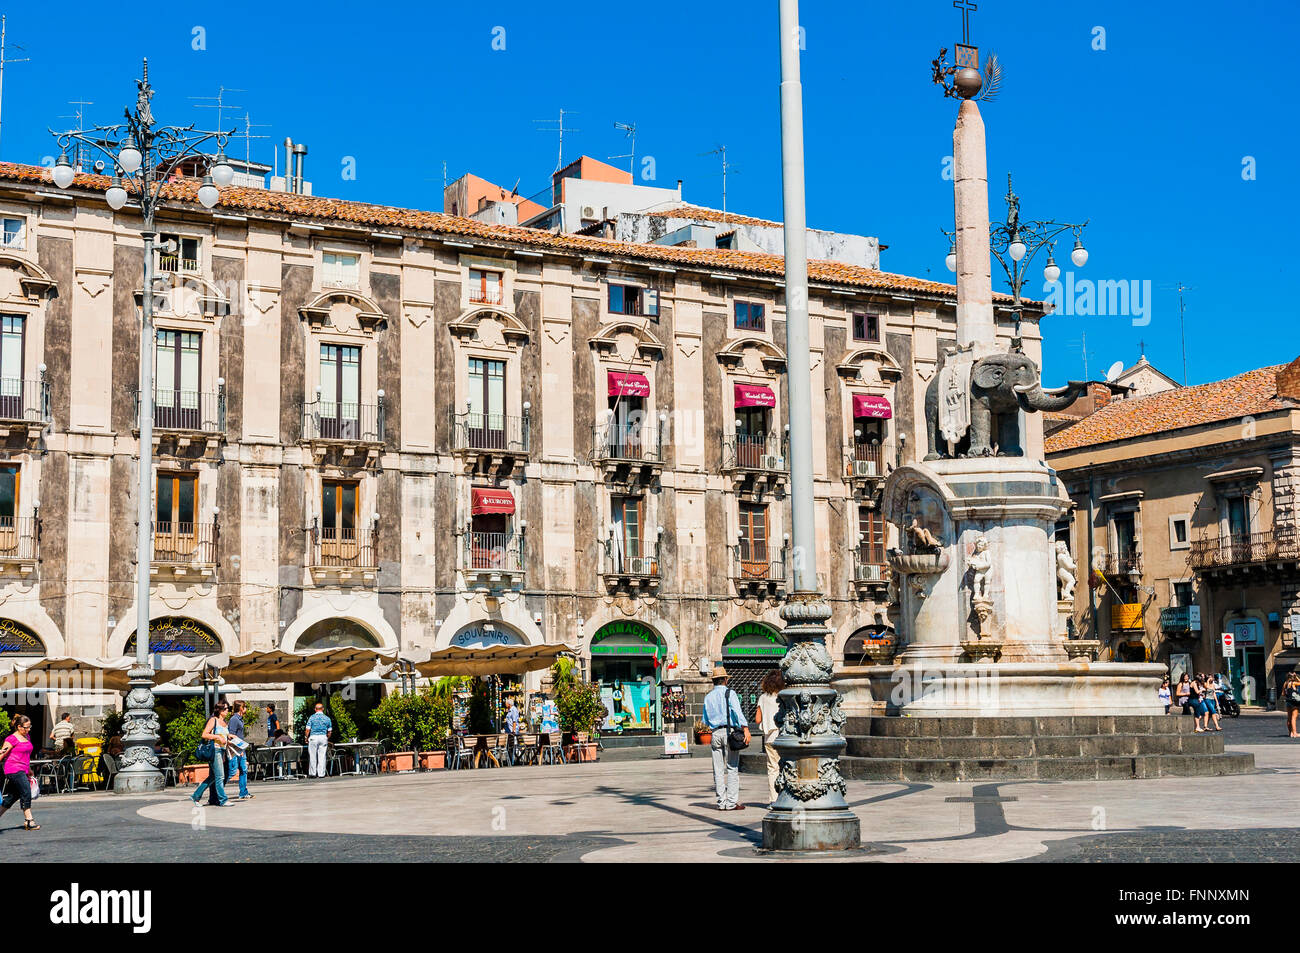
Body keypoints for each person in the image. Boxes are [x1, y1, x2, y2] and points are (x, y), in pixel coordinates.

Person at [702, 665, 750, 812]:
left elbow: (705, 720)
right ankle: (731, 802)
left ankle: (721, 802)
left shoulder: (708, 696)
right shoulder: (730, 693)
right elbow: (737, 711)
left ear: (714, 681)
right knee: (732, 768)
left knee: (717, 769)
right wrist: (745, 728)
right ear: (724, 680)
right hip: (729, 733)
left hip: (715, 733)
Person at [0, 714, 39, 830]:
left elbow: (26, 755)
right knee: (26, 790)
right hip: (13, 769)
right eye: (26, 727)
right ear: (19, 727)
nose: (29, 729)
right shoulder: (11, 739)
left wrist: (29, 769)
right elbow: (2, 755)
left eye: (29, 726)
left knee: (13, 796)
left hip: (23, 769)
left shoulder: (27, 737)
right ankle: (29, 820)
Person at [755, 669, 786, 807]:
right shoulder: (783, 696)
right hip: (783, 736)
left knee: (772, 768)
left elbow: (757, 719)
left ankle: (774, 799)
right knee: (785, 766)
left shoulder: (763, 697)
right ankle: (785, 796)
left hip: (769, 738)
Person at [191, 702, 231, 807]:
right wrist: (217, 737)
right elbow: (204, 734)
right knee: (220, 776)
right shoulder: (213, 720)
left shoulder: (224, 722)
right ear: (220, 710)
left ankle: (195, 796)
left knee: (213, 777)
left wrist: (230, 736)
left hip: (221, 751)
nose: (228, 711)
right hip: (215, 751)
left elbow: (224, 735)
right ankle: (223, 800)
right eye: (226, 709)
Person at [227, 701, 253, 800]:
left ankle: (243, 792)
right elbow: (231, 735)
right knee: (232, 772)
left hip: (241, 748)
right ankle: (217, 790)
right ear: (241, 708)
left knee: (243, 770)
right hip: (236, 749)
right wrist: (238, 749)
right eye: (245, 706)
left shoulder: (240, 719)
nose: (246, 708)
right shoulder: (234, 719)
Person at [305, 702, 332, 778]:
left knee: (312, 756)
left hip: (313, 737)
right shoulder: (327, 718)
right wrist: (327, 738)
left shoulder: (312, 717)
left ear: (315, 709)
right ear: (323, 709)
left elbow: (307, 730)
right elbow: (329, 731)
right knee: (322, 756)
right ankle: (321, 773)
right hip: (323, 737)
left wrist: (306, 738)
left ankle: (313, 773)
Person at [504, 697, 521, 763]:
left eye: (506, 703)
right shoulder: (510, 710)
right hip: (509, 731)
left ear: (509, 704)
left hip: (512, 731)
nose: (505, 704)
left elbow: (514, 721)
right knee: (510, 745)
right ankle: (512, 759)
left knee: (513, 745)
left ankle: (514, 759)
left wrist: (513, 730)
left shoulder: (513, 710)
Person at [1283, 673, 1300, 738]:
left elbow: (1283, 693)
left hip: (1288, 702)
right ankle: (1295, 733)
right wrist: (1297, 677)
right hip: (1294, 703)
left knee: (1289, 718)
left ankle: (1290, 733)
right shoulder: (1293, 683)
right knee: (1294, 718)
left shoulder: (1285, 683)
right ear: (1293, 677)